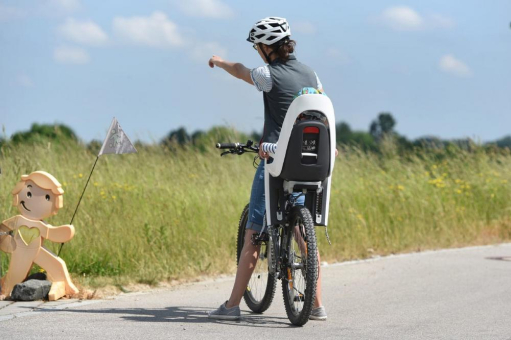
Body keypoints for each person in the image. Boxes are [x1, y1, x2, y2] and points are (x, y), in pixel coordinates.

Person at [207, 17, 327, 321]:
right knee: (302, 231)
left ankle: (232, 306)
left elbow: (239, 71)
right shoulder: (311, 74)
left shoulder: (268, 74)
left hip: (275, 161)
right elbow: (322, 109)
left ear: (265, 47)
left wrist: (219, 61)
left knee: (254, 232)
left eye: (257, 47)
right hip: (307, 163)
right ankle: (316, 305)